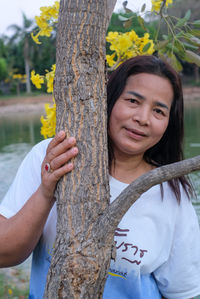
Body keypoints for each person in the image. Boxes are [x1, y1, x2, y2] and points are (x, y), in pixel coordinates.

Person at [0, 55, 200, 299]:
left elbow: (182, 293)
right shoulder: (51, 158)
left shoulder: (171, 195)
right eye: (133, 100)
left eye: (159, 111)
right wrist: (46, 191)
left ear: (169, 123)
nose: (143, 118)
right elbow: (4, 254)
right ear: (109, 98)